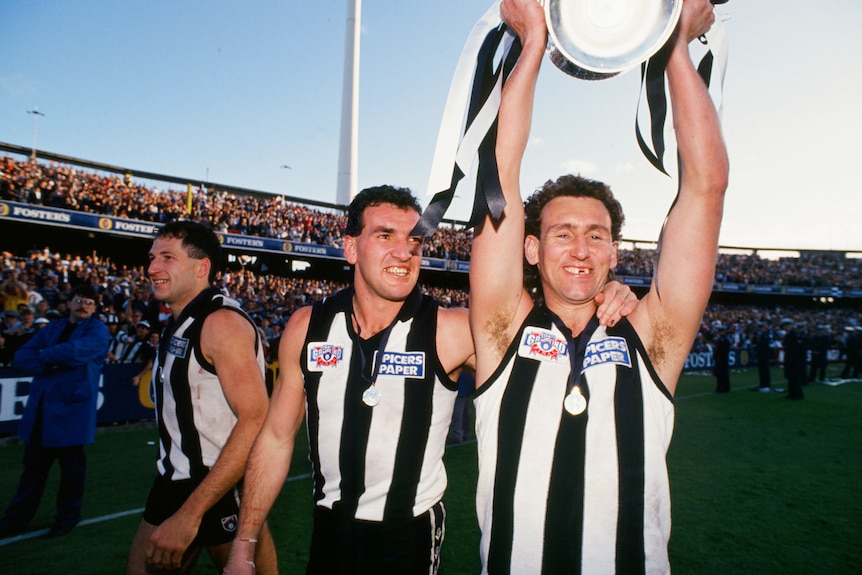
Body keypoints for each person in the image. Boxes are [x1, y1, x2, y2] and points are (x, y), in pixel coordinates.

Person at [223, 186, 637, 574]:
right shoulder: (306, 328)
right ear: (350, 247)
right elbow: (276, 438)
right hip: (329, 528)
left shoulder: (450, 330)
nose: (405, 252)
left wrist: (604, 289)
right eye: (386, 236)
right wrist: (244, 542)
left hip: (411, 535)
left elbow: (548, 335)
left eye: (416, 240)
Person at [468, 0, 728, 572]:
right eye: (562, 234)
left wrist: (676, 46)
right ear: (531, 249)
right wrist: (534, 41)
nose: (581, 249)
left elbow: (705, 189)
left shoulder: (654, 334)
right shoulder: (500, 329)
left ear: (614, 252)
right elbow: (499, 174)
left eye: (596, 235)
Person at [125, 221, 276, 574]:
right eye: (151, 258)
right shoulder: (180, 320)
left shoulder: (220, 323)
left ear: (201, 267)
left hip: (213, 486)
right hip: (174, 479)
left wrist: (192, 512)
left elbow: (254, 416)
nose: (152, 268)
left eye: (167, 258)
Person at [0, 285, 110, 538]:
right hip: (42, 410)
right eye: (79, 300)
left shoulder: (98, 330)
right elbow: (22, 355)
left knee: (71, 471)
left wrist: (44, 356)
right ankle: (16, 519)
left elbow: (74, 352)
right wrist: (52, 359)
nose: (84, 305)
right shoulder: (53, 327)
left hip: (72, 412)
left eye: (90, 303)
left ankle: (67, 517)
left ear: (95, 308)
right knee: (32, 471)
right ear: (69, 303)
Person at [713, 326, 731, 393]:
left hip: (720, 358)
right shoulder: (726, 339)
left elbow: (718, 350)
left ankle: (720, 388)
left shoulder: (721, 339)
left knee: (720, 374)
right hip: (725, 358)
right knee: (725, 373)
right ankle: (726, 387)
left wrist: (715, 356)